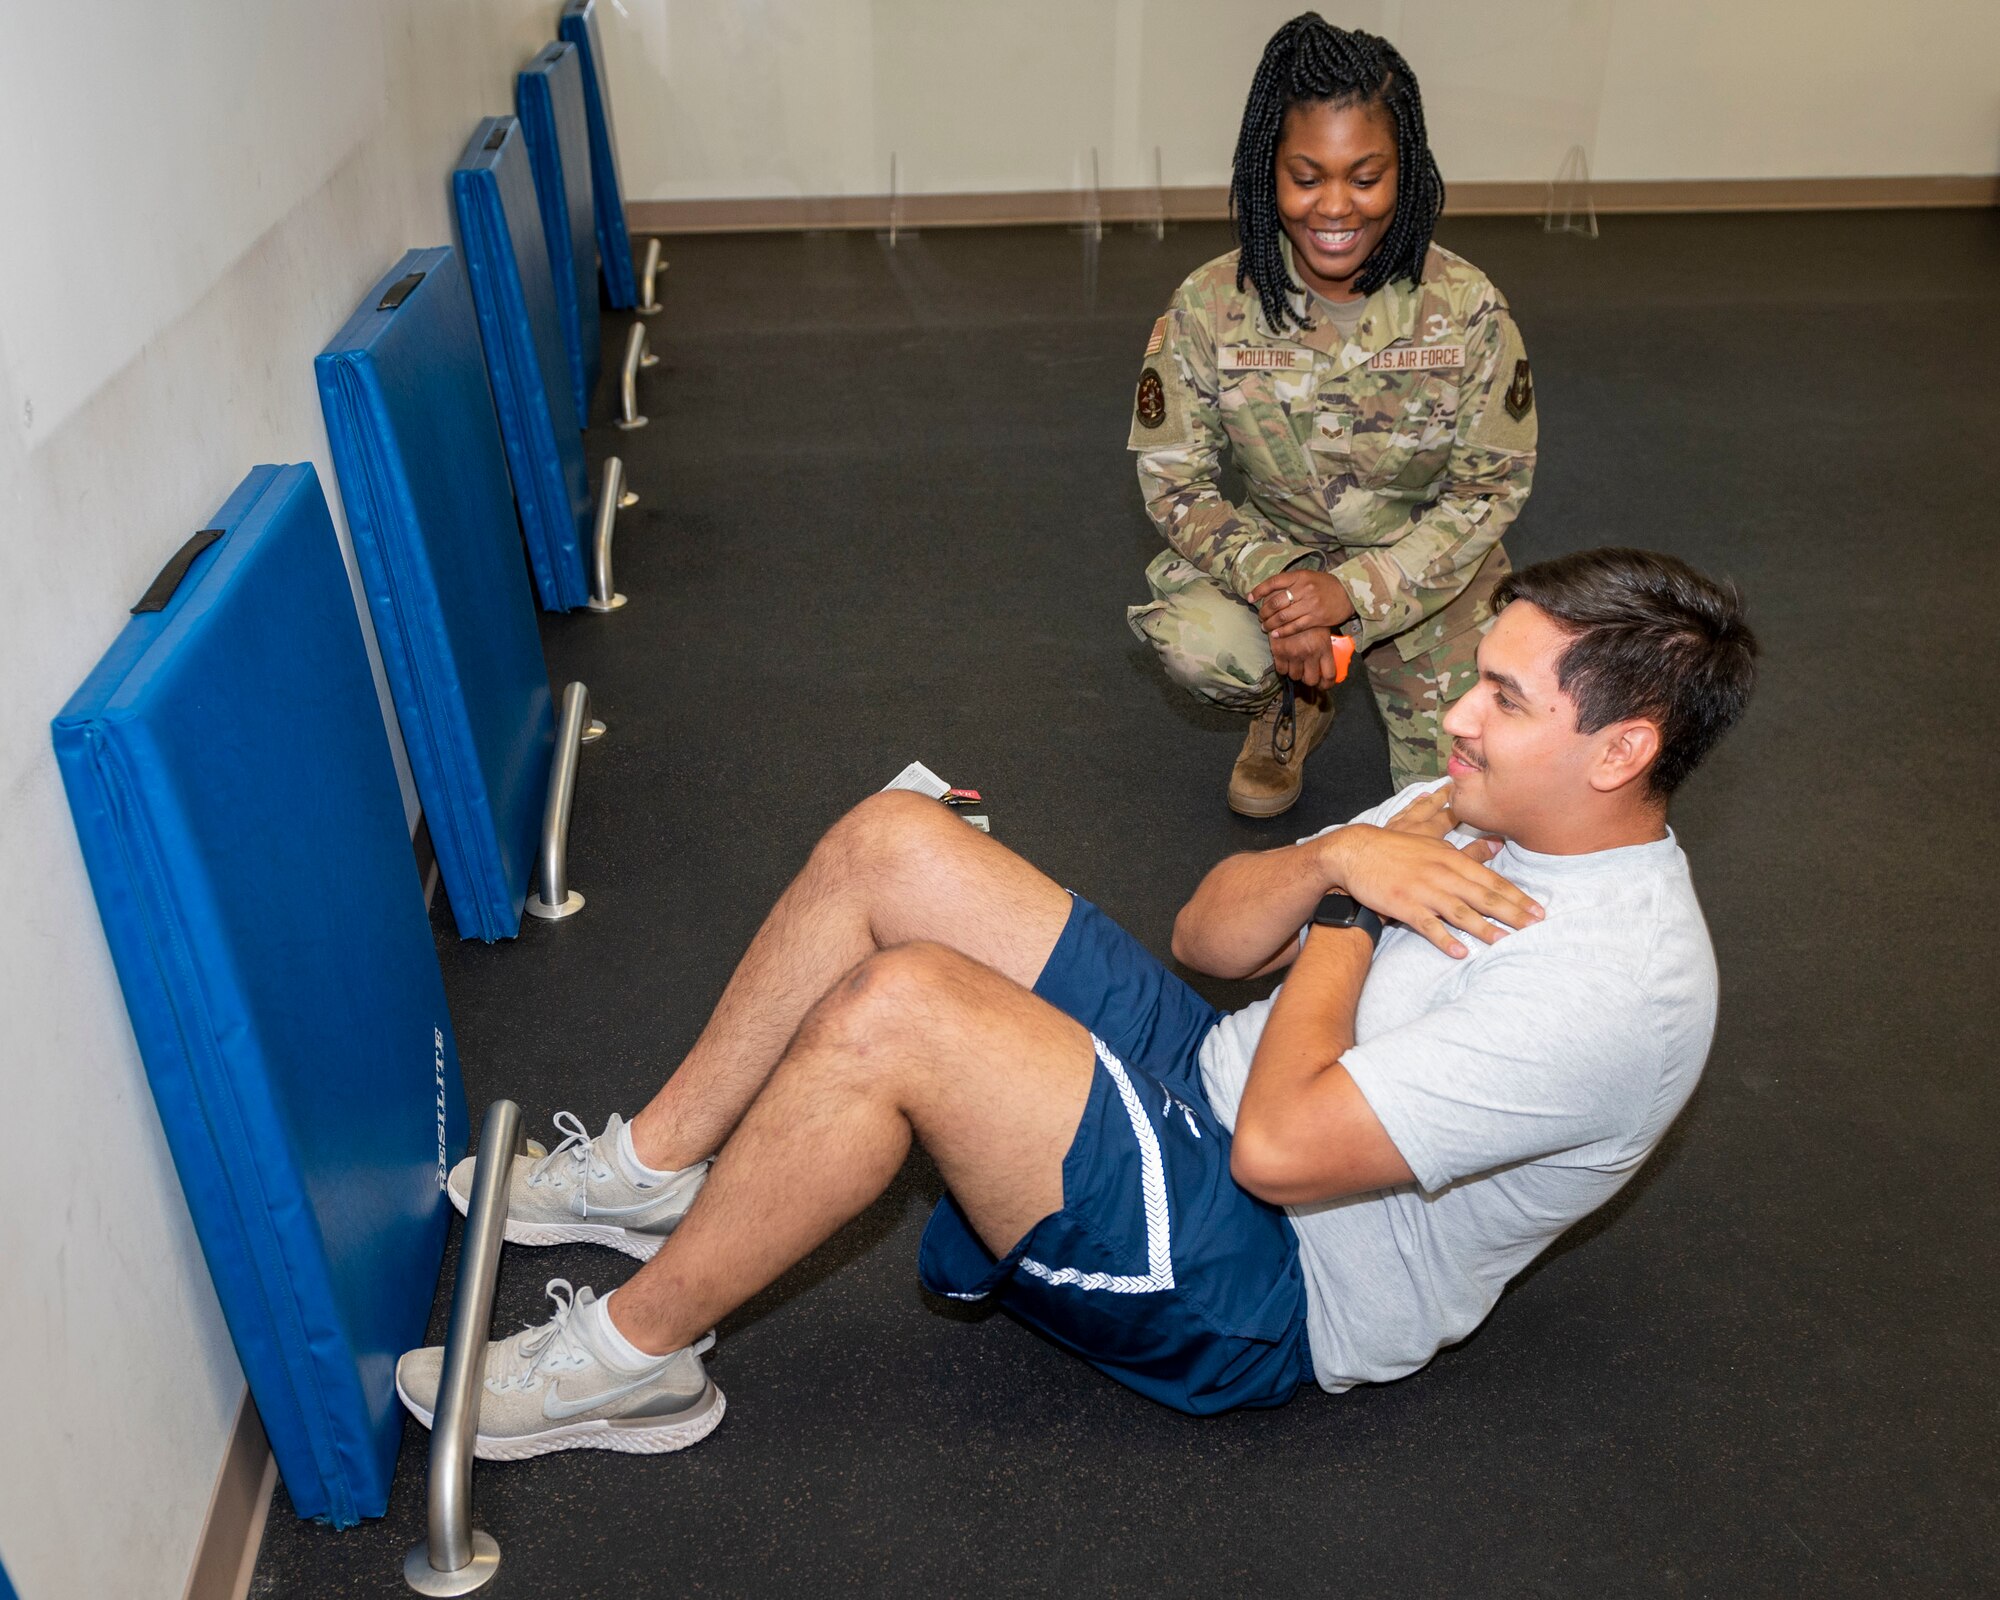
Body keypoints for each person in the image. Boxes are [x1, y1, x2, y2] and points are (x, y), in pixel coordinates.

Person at [395, 548, 1755, 1455]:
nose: (1456, 714)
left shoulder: (1610, 989)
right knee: (893, 842)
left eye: (1501, 699)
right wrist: (1339, 855)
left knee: (902, 1011)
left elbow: (1281, 1160)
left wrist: (1347, 907)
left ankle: (641, 1359)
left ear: (1620, 749)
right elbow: (1210, 939)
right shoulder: (1475, 801)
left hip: (1270, 1284)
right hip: (1214, 1071)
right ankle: (655, 1171)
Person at [1126, 15, 1537, 818]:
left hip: (1424, 569)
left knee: (1452, 806)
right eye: (1306, 177)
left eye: (1365, 175)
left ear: (1405, 173)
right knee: (1201, 646)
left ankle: (1358, 664)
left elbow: (1489, 491)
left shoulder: (1466, 305)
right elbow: (1173, 480)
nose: (1335, 207)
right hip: (1276, 552)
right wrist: (1284, 591)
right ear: (1264, 170)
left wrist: (1349, 593)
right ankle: (1292, 697)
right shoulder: (1211, 302)